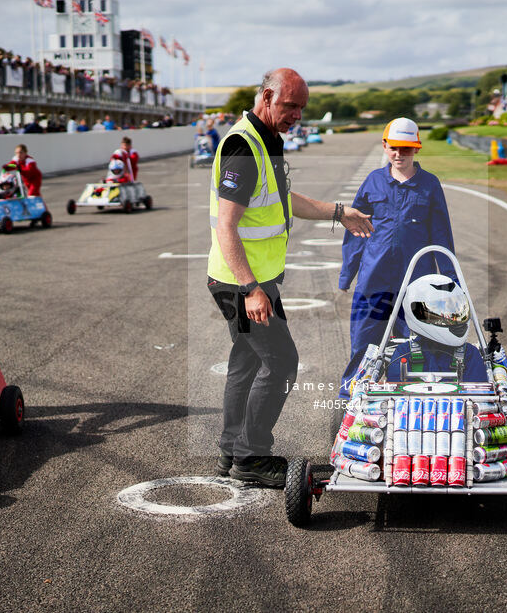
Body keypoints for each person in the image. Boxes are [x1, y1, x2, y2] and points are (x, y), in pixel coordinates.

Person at [207, 67, 373, 487]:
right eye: (289, 105)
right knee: (282, 362)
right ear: (266, 97)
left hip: (253, 280)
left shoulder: (268, 141)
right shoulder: (243, 148)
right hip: (242, 283)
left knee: (246, 362)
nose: (297, 114)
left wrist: (339, 212)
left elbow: (284, 198)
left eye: (301, 107)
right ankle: (252, 456)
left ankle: (232, 452)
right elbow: (227, 226)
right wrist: (251, 290)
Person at [337, 117, 457, 400]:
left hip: (417, 283)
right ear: (385, 146)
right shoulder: (373, 182)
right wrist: (347, 274)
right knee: (365, 342)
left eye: (406, 148)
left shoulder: (430, 185)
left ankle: (419, 398)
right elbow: (356, 231)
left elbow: (441, 236)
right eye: (394, 148)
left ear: (417, 149)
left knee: (420, 342)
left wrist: (451, 280)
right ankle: (353, 397)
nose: (399, 154)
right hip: (374, 280)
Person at [384, 274, 487, 383]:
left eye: (455, 309)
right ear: (419, 313)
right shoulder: (403, 353)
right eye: (442, 310)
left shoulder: (469, 354)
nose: (452, 317)